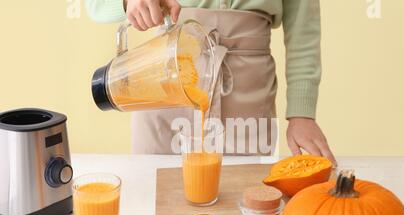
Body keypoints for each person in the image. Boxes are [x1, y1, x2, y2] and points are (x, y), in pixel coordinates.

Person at [85, 0, 337, 165]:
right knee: (157, 205)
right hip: (166, 83)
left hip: (249, 93)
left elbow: (303, 31)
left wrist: (302, 114)